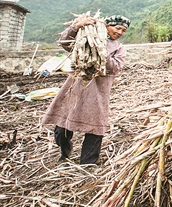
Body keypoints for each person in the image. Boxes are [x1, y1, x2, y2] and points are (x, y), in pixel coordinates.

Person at [42, 15, 130, 164]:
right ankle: (65, 149)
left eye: (123, 30)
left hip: (98, 92)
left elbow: (115, 67)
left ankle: (88, 162)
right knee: (62, 126)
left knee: (95, 128)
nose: (120, 32)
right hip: (75, 87)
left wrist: (100, 50)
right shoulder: (87, 37)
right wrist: (76, 27)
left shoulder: (120, 49)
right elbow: (64, 42)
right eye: (117, 28)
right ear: (107, 26)